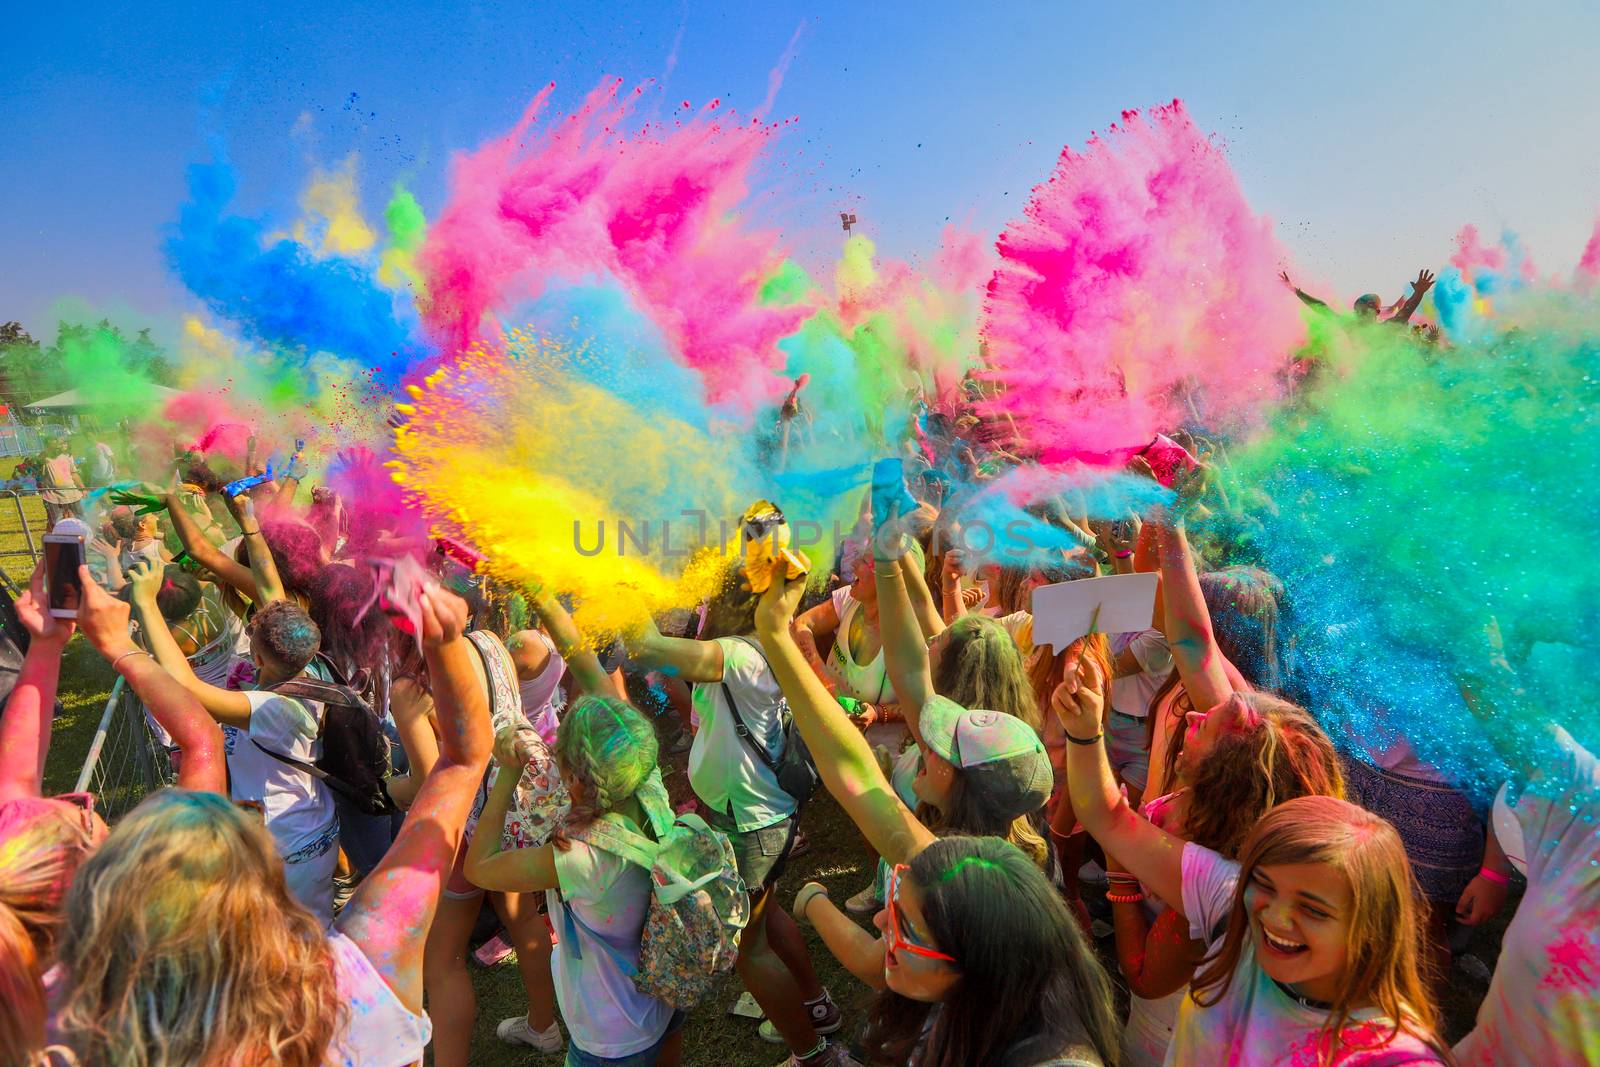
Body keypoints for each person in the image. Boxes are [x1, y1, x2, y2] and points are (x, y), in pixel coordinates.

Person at [48, 581, 490, 1066]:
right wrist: (444, 645)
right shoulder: (362, 972)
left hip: (293, 849)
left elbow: (192, 703)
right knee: (313, 928)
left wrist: (139, 619)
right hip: (311, 836)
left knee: (307, 924)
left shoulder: (273, 707)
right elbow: (463, 763)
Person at [754, 564, 1119, 1066]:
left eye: (909, 923)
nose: (884, 916)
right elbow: (869, 744)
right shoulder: (978, 871)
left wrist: (813, 901)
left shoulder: (1046, 1053)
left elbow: (858, 775)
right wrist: (886, 557)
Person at [1054, 639, 1449, 1065]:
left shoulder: (1390, 1055)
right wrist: (1084, 730)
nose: (1274, 916)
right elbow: (1108, 817)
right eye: (1262, 883)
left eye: (1313, 909)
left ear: (1373, 925)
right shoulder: (1228, 894)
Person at [0, 561, 226, 1061]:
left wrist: (45, 644)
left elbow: (14, 782)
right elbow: (202, 743)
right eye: (83, 815)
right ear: (91, 887)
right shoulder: (146, 960)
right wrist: (121, 646)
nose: (90, 804)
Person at [630, 566, 845, 1066]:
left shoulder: (744, 655)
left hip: (752, 822)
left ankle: (812, 1055)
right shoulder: (751, 648)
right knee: (765, 918)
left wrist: (620, 590)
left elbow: (652, 648)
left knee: (751, 952)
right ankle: (817, 1006)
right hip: (754, 812)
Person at [466, 694, 687, 1067]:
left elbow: (479, 866)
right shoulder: (649, 788)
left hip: (611, 1035)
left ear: (570, 776)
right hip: (664, 995)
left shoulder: (579, 858)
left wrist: (507, 772)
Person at [125, 557, 341, 922]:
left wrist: (146, 604)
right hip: (306, 823)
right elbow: (271, 592)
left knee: (301, 936)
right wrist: (245, 518)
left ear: (257, 656)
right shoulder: (312, 665)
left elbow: (188, 686)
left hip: (291, 842)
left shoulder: (273, 709)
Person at [38, 437, 84, 527]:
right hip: (52, 496)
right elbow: (37, 463)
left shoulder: (67, 457)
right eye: (52, 445)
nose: (55, 447)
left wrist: (83, 488)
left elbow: (74, 474)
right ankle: (54, 539)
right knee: (55, 522)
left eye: (56, 445)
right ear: (47, 446)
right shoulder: (44, 458)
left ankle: (85, 534)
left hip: (71, 493)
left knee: (81, 518)